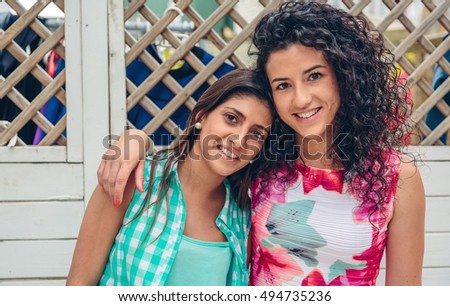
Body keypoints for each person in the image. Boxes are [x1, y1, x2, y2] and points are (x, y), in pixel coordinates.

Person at [97, 1, 425, 286]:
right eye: (283, 85)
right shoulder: (262, 160)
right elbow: (197, 159)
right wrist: (135, 140)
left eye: (314, 76)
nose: (301, 98)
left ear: (344, 74)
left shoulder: (396, 177)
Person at [66, 69, 275, 285]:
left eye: (257, 134)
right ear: (202, 115)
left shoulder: (244, 215)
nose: (240, 140)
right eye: (231, 118)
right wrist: (136, 137)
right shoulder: (133, 180)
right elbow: (79, 285)